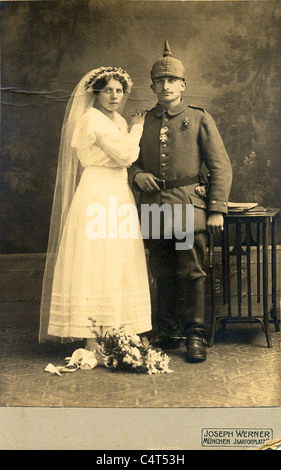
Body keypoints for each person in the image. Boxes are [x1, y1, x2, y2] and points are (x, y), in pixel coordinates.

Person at [128, 41, 233, 362]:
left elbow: (220, 166)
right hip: (153, 208)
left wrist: (216, 208)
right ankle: (167, 331)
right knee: (161, 271)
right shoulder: (142, 120)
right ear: (152, 86)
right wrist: (136, 175)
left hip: (188, 207)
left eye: (172, 80)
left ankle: (194, 335)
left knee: (191, 271)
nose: (165, 86)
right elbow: (127, 157)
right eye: (159, 81)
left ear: (183, 85)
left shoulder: (200, 119)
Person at [39, 66, 152, 348]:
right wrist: (138, 128)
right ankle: (92, 337)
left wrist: (129, 131)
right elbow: (126, 155)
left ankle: (119, 329)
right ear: (96, 93)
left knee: (118, 257)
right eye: (108, 90)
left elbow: (121, 156)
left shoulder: (118, 122)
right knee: (96, 258)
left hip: (117, 190)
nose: (114, 96)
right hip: (97, 192)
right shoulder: (91, 120)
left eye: (119, 91)